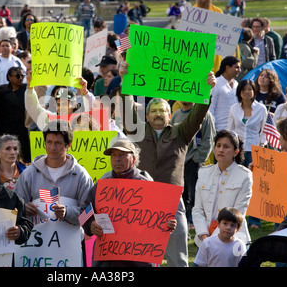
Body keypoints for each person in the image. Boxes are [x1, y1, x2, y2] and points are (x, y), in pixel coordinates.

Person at [122, 64, 217, 267]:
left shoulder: (181, 132)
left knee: (177, 255)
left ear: (169, 115)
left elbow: (198, 115)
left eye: (162, 111)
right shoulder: (136, 132)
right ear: (146, 116)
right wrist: (125, 82)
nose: (158, 114)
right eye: (153, 111)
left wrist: (206, 90)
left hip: (172, 200)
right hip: (142, 199)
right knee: (142, 254)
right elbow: (126, 109)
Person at [83, 138, 176, 267]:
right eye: (113, 155)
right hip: (106, 260)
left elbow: (160, 220)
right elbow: (83, 213)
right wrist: (90, 224)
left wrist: (168, 225)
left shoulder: (147, 185)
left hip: (138, 259)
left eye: (122, 155)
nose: (117, 159)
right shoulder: (102, 185)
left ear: (133, 159)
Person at [14, 119, 93, 227]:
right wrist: (23, 209)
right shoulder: (29, 174)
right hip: (36, 241)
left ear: (68, 145)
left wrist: (67, 213)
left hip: (71, 242)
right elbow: (13, 210)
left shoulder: (81, 175)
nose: (52, 148)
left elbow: (89, 214)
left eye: (58, 143)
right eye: (49, 142)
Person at [192, 130, 253, 249]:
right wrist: (204, 236)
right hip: (204, 241)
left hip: (233, 241)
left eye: (226, 147)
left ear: (236, 152)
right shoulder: (203, 172)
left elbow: (238, 212)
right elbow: (198, 209)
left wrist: (214, 239)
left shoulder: (245, 175)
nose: (221, 150)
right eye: (218, 145)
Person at [170, 101, 216, 227]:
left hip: (193, 163)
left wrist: (197, 159)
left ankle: (194, 222)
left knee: (194, 194)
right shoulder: (176, 115)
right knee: (181, 195)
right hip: (178, 162)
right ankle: (183, 222)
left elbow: (209, 138)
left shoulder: (205, 115)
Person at [227, 80, 267, 167]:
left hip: (254, 149)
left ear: (254, 91)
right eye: (244, 89)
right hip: (238, 149)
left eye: (249, 89)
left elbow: (265, 130)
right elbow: (230, 130)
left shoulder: (261, 108)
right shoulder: (233, 108)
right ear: (239, 92)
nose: (247, 92)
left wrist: (262, 144)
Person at [0, 67, 30, 163]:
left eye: (22, 76)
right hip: (7, 129)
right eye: (17, 76)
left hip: (23, 129)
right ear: (9, 77)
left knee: (24, 156)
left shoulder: (26, 90)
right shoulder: (2, 91)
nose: (20, 78)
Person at [209, 56, 241, 131]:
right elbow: (211, 107)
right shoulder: (215, 83)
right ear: (227, 68)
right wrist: (212, 127)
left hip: (234, 130)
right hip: (219, 129)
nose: (239, 70)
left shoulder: (236, 84)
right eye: (237, 67)